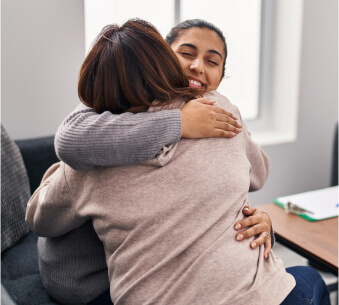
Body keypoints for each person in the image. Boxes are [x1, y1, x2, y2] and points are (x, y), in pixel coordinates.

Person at [26, 19, 330, 305]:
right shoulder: (94, 148)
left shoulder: (218, 115)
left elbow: (250, 176)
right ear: (165, 61)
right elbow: (68, 143)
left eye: (212, 61)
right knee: (308, 279)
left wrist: (257, 217)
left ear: (221, 78)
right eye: (186, 54)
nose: (198, 66)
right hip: (91, 282)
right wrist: (177, 122)